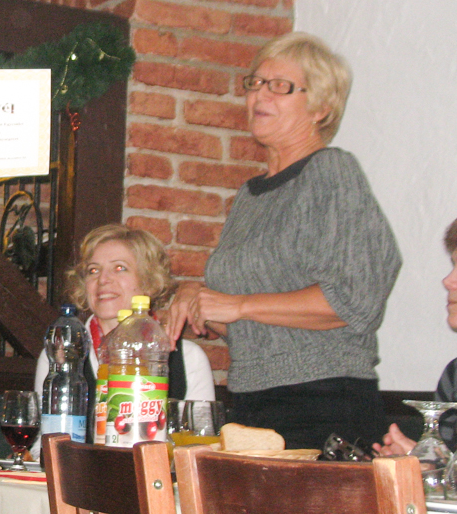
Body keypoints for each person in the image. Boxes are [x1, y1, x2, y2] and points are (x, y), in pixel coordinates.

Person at [166, 32, 401, 451]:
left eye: (280, 86)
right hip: (251, 403)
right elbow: (254, 326)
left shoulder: (332, 171)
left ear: (321, 108)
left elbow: (353, 299)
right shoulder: (249, 196)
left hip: (325, 403)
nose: (260, 95)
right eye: (255, 83)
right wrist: (198, 301)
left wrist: (238, 304)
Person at [32, 224, 216, 446]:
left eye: (120, 268)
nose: (103, 280)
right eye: (93, 270)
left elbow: (201, 448)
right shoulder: (62, 354)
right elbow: (42, 446)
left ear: (149, 282)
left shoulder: (188, 358)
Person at [374, 212, 457, 455]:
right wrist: (421, 463)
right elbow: (451, 463)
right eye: (454, 265)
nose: (449, 281)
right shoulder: (456, 374)